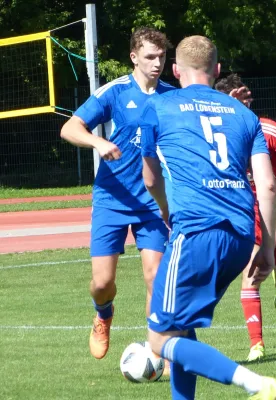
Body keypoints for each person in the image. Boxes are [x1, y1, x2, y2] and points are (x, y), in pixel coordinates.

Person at [140, 35, 276, 399]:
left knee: (159, 340)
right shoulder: (245, 114)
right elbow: (267, 186)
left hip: (195, 230)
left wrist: (165, 210)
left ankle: (255, 383)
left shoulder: (159, 106)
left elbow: (150, 177)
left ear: (175, 70)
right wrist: (266, 247)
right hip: (238, 236)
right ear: (217, 70)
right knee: (183, 327)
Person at [60, 27, 175, 359]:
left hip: (154, 203)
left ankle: (158, 351)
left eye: (162, 56)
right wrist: (97, 141)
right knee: (101, 283)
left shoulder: (172, 96)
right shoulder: (114, 92)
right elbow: (69, 127)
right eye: (150, 57)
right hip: (112, 199)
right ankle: (103, 314)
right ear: (134, 57)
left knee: (156, 276)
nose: (157, 63)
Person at [215, 74, 276, 362]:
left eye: (245, 98)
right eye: (234, 100)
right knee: (250, 277)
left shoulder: (271, 132)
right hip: (249, 215)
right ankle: (257, 345)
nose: (244, 104)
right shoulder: (219, 136)